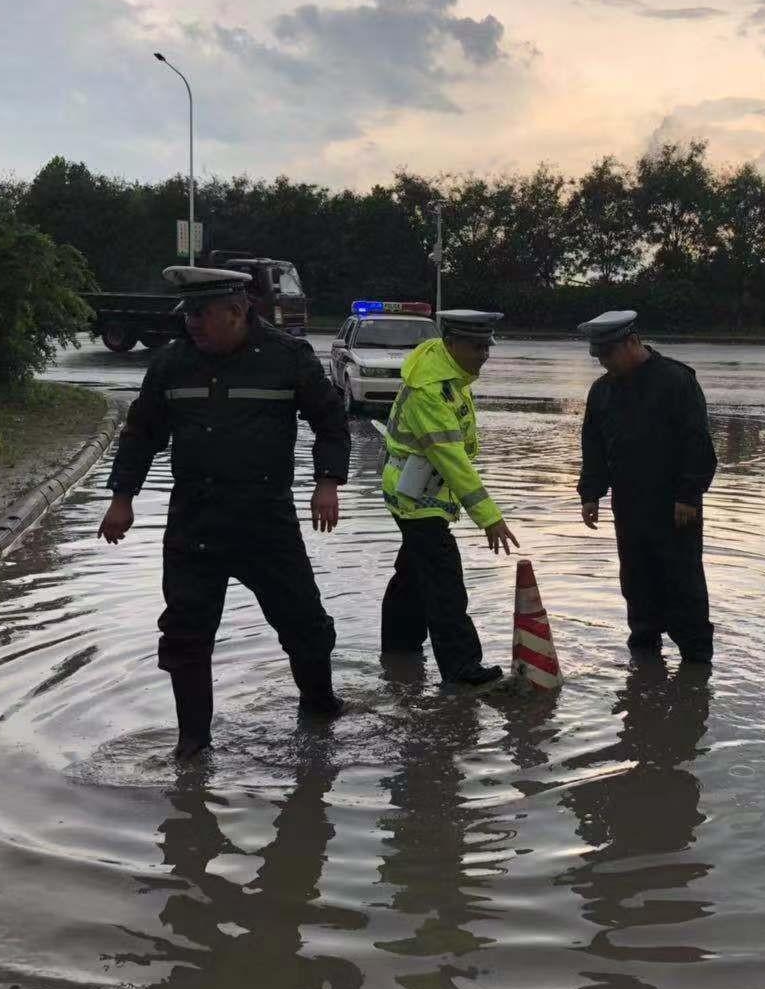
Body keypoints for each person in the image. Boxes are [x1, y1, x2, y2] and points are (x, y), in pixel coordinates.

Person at [97, 266, 351, 758]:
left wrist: (327, 484)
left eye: (200, 313)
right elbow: (141, 434)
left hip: (266, 521)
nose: (190, 322)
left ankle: (320, 710)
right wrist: (122, 498)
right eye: (186, 312)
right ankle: (192, 747)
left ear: (236, 311)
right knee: (186, 635)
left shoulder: (287, 358)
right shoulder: (172, 364)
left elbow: (331, 421)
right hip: (195, 521)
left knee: (305, 626)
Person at [380, 309, 519, 686]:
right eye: (476, 347)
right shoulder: (430, 389)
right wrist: (490, 518)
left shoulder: (446, 370)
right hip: (417, 501)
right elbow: (452, 460)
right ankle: (461, 668)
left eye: (486, 346)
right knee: (444, 583)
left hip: (415, 492)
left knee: (412, 575)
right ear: (452, 343)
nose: (484, 354)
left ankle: (398, 649)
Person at [576, 310, 717, 663]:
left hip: (674, 508)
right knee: (637, 582)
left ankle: (697, 661)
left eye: (609, 355)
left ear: (633, 342)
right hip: (628, 504)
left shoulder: (676, 380)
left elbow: (697, 442)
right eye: (599, 357)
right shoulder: (602, 390)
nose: (604, 363)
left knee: (683, 585)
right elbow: (593, 444)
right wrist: (590, 493)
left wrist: (689, 495)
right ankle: (644, 657)